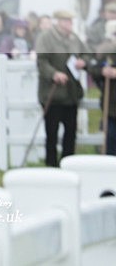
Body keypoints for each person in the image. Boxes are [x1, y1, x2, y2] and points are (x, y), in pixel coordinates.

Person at [35, 10, 93, 167]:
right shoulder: (46, 38)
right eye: (66, 21)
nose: (69, 24)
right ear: (58, 22)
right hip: (52, 94)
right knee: (52, 133)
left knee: (70, 133)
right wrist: (54, 74)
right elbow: (41, 61)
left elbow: (87, 54)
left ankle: (68, 164)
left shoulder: (74, 38)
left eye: (70, 21)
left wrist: (83, 62)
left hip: (71, 94)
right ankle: (51, 165)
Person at [90, 20, 116, 155]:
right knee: (111, 139)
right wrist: (102, 71)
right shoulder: (106, 51)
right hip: (111, 105)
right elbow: (93, 68)